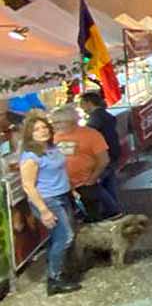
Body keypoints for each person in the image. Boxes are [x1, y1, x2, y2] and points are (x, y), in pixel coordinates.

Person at [19, 111, 81, 295]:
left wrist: (71, 189)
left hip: (63, 195)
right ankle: (54, 279)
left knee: (59, 237)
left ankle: (59, 269)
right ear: (30, 134)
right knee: (65, 236)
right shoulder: (31, 156)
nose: (42, 131)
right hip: (48, 200)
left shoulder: (52, 149)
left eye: (44, 127)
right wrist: (44, 210)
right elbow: (28, 186)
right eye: (36, 129)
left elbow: (60, 172)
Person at [50, 106, 119, 221]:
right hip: (64, 184)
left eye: (58, 122)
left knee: (93, 215)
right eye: (53, 122)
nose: (54, 125)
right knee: (71, 216)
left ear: (71, 121)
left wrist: (92, 178)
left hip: (86, 183)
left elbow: (104, 159)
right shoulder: (54, 137)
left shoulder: (91, 134)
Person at [80, 91, 122, 213]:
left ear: (88, 103)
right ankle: (113, 209)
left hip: (104, 154)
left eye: (82, 104)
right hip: (113, 151)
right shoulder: (104, 114)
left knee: (97, 185)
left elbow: (88, 134)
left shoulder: (96, 118)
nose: (81, 108)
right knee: (109, 182)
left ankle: (113, 209)